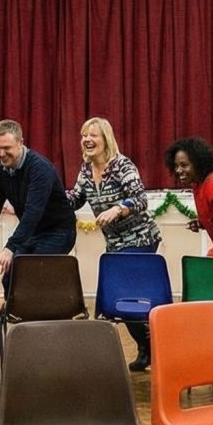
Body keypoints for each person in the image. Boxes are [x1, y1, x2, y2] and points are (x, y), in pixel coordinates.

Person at [65, 117, 163, 371]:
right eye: (83, 135)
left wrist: (118, 209)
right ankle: (147, 347)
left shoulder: (122, 166)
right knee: (120, 299)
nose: (86, 139)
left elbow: (140, 199)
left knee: (128, 298)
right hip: (115, 245)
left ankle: (153, 347)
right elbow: (74, 200)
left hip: (140, 240)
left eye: (92, 135)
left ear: (105, 139)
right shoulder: (86, 171)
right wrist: (49, 194)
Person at [0, 119, 76, 276]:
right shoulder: (0, 169)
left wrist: (10, 247)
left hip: (58, 232)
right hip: (32, 232)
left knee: (31, 273)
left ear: (20, 143)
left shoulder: (39, 168)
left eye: (6, 148)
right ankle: (10, 302)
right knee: (9, 275)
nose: (1, 154)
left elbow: (33, 212)